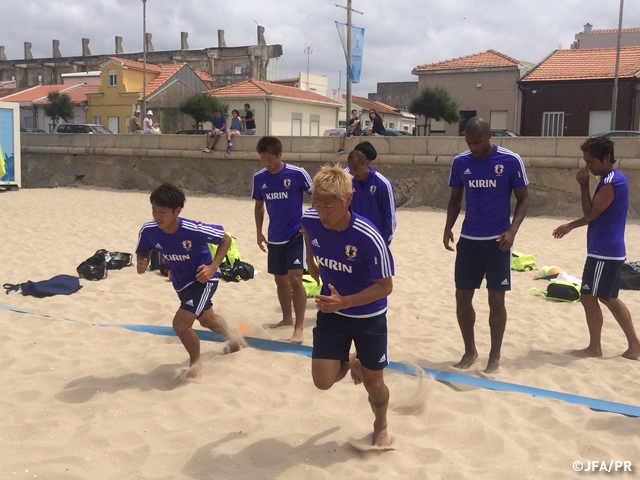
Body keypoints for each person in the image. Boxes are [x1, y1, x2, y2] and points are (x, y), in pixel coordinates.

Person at [301, 165, 394, 448]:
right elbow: (306, 229)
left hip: (369, 316)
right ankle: (349, 359)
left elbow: (386, 286)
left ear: (348, 200)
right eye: (317, 205)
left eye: (329, 206)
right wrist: (311, 260)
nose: (322, 212)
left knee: (373, 384)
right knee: (322, 381)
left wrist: (346, 301)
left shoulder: (369, 237)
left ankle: (381, 425)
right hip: (332, 313)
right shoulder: (312, 218)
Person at [443, 116, 529, 373]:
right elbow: (455, 199)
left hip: (497, 243)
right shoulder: (461, 162)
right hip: (469, 241)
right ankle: (470, 350)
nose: (474, 148)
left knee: (496, 301)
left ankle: (495, 356)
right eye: (469, 143)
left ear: (491, 135)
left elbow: (524, 199)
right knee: (462, 298)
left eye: (478, 142)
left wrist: (512, 230)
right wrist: (448, 227)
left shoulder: (510, 161)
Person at [135, 183, 243, 379]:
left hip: (203, 280)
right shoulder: (149, 230)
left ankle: (195, 365)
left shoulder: (192, 228)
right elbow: (143, 250)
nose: (157, 216)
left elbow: (226, 239)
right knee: (207, 319)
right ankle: (235, 340)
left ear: (177, 211)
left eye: (163, 212)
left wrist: (213, 267)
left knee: (180, 324)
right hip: (180, 282)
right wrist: (142, 261)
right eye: (154, 210)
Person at [552, 136, 640, 360]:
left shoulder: (612, 181)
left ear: (607, 158)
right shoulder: (612, 178)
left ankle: (598, 348)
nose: (587, 166)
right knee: (601, 297)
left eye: (591, 161)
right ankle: (631, 345)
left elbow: (591, 214)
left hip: (605, 252)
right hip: (606, 250)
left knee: (596, 297)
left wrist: (582, 189)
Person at [252, 136, 312, 344]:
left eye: (270, 159)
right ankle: (286, 319)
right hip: (274, 237)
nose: (266, 163)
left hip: (296, 234)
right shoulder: (260, 178)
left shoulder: (297, 174)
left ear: (280, 155)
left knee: (296, 279)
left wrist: (310, 222)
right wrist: (259, 232)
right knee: (280, 280)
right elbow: (259, 207)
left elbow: (318, 196)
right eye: (263, 159)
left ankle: (299, 327)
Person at [346, 146, 396, 245]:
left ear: (366, 164)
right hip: (355, 237)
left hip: (377, 238)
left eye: (356, 168)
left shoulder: (383, 184)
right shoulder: (348, 183)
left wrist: (386, 239)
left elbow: (390, 214)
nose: (354, 172)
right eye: (351, 169)